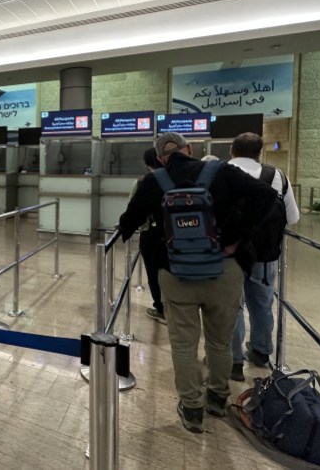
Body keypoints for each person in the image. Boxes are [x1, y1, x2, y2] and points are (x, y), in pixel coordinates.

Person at [118, 132, 276, 433]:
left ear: (162, 157)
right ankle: (216, 399)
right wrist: (232, 240)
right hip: (224, 270)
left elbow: (129, 221)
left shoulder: (156, 181)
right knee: (219, 340)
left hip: (176, 273)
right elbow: (267, 197)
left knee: (183, 344)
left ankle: (191, 409)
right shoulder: (223, 171)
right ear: (189, 149)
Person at [229, 132, 300, 382]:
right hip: (265, 254)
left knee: (231, 306)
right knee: (261, 303)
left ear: (231, 150)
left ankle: (233, 361)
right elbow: (292, 218)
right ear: (260, 152)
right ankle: (260, 352)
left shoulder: (220, 172)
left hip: (230, 254)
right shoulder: (277, 176)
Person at [131, 148, 166, 324]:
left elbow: (133, 209)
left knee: (153, 273)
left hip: (151, 234)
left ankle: (161, 308)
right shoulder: (178, 178)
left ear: (147, 164)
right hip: (175, 233)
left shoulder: (143, 182)